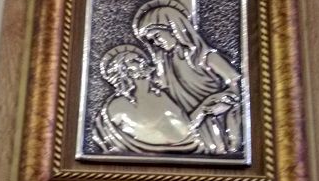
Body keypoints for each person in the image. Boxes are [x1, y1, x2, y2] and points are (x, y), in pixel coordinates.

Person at [131, 0, 242, 154]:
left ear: (173, 28)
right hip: (183, 128)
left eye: (157, 36)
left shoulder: (206, 57)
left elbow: (237, 86)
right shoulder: (164, 67)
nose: (156, 43)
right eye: (151, 41)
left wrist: (218, 102)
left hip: (212, 123)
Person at [92, 45, 237, 155]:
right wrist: (204, 108)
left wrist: (207, 106)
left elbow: (184, 128)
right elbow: (172, 137)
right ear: (123, 71)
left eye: (140, 58)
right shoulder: (118, 106)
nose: (141, 61)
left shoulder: (161, 94)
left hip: (193, 154)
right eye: (133, 61)